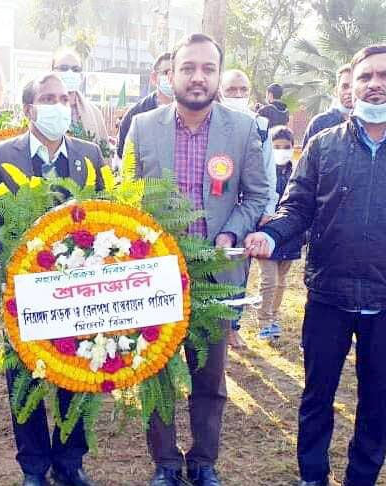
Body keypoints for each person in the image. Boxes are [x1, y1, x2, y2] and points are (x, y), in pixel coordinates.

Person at [244, 45, 386, 486]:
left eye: (385, 75)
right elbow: (297, 208)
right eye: (365, 77)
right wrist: (272, 233)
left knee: (377, 399)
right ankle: (313, 475)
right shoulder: (322, 146)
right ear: (352, 85)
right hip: (328, 295)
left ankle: (362, 477)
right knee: (317, 394)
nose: (374, 84)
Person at [125, 33, 270, 486]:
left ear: (218, 76)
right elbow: (123, 197)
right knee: (158, 375)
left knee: (209, 377)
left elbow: (259, 194)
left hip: (216, 276)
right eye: (188, 68)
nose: (197, 76)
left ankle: (205, 462)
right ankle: (166, 463)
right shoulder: (143, 126)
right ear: (171, 75)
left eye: (208, 68)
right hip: (155, 277)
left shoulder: (243, 129)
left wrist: (232, 230)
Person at [0, 73, 104, 486]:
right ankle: (34, 467)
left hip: (79, 292)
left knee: (80, 372)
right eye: (48, 98)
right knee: (24, 379)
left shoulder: (90, 154)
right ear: (29, 109)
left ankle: (70, 462)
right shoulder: (1, 156)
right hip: (23, 291)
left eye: (64, 98)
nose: (59, 105)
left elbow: (107, 217)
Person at [218, 68, 278, 347]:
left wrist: (268, 207)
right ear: (220, 92)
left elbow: (268, 172)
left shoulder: (261, 127)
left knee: (239, 269)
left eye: (243, 90)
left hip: (246, 209)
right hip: (214, 204)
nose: (238, 95)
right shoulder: (213, 122)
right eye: (231, 90)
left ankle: (232, 325)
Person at [255, 126, 304, 341]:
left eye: (286, 147)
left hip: (291, 235)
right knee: (269, 279)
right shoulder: (262, 172)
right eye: (277, 147)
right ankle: (264, 320)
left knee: (281, 280)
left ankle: (273, 317)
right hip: (265, 233)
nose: (282, 151)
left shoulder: (298, 172)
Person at [116, 52, 173, 159]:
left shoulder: (193, 112)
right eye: (166, 72)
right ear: (154, 77)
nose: (171, 77)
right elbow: (122, 155)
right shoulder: (136, 114)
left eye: (176, 72)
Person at [51, 47, 108, 145]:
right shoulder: (41, 109)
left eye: (75, 69)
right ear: (52, 72)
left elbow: (104, 153)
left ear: (81, 75)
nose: (70, 73)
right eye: (63, 68)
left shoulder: (95, 113)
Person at [302, 64, 354, 146]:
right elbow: (306, 157)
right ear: (336, 91)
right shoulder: (320, 123)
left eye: (354, 87)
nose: (350, 91)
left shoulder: (372, 124)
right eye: (345, 86)